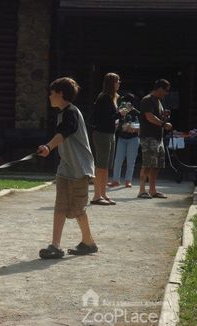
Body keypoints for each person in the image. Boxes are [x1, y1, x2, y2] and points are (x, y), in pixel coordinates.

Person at [37, 77, 98, 259]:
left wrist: (48, 146)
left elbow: (65, 131)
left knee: (77, 209)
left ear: (60, 94)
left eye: (52, 92)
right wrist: (49, 146)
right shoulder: (62, 113)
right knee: (60, 206)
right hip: (65, 168)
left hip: (79, 169)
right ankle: (55, 245)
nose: (49, 96)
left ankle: (89, 242)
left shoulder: (71, 112)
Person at [91, 72, 126, 205]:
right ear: (111, 83)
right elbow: (105, 119)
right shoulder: (104, 97)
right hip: (102, 134)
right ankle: (96, 196)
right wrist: (119, 114)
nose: (119, 83)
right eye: (117, 81)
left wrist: (118, 114)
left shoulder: (112, 97)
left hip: (110, 134)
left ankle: (103, 194)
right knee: (101, 165)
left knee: (106, 166)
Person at [137, 79, 172, 199]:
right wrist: (163, 124)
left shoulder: (158, 101)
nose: (166, 93)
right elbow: (149, 117)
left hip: (158, 137)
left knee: (157, 165)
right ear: (160, 88)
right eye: (166, 90)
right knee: (147, 163)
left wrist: (164, 116)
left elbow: (156, 116)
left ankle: (152, 190)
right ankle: (142, 190)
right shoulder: (147, 100)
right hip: (148, 137)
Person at [108, 93, 140, 188]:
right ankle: (115, 180)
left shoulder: (136, 112)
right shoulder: (120, 111)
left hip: (133, 138)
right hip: (121, 138)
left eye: (127, 102)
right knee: (118, 160)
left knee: (131, 161)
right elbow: (116, 123)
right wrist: (120, 126)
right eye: (124, 102)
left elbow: (142, 124)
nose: (125, 104)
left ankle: (128, 181)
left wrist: (132, 127)